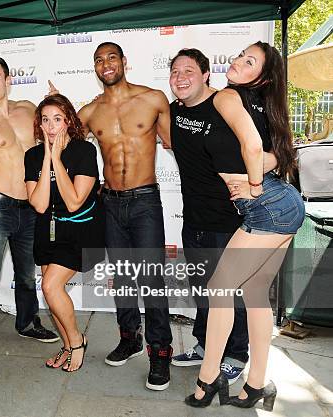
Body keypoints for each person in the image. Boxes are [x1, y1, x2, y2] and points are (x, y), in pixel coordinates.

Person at [184, 42, 305, 411]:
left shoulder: (228, 97)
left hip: (267, 209)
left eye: (248, 62)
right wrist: (257, 179)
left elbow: (253, 148)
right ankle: (256, 385)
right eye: (239, 55)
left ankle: (208, 381)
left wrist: (252, 188)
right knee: (253, 294)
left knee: (220, 291)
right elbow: (277, 154)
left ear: (263, 76)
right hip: (284, 204)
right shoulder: (260, 105)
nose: (236, 61)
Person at [77, 42, 173, 390]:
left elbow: (179, 143)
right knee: (123, 277)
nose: (106, 64)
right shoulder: (89, 112)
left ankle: (160, 352)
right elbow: (62, 139)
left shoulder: (153, 98)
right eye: (99, 60)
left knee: (150, 279)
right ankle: (130, 337)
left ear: (124, 62)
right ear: (95, 68)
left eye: (111, 57)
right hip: (111, 203)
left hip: (146, 200)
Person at [0, 53, 59, 388]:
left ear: (8, 79)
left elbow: (55, 140)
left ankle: (27, 322)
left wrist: (60, 110)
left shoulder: (29, 109)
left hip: (31, 206)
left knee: (28, 274)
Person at [25, 94, 105, 372]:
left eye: (57, 119)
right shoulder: (33, 156)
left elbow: (73, 202)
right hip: (46, 229)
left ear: (69, 121)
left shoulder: (84, 151)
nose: (50, 126)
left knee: (50, 286)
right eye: (45, 120)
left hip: (79, 230)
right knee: (51, 294)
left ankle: (76, 341)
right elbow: (38, 203)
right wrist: (47, 158)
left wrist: (57, 159)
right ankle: (68, 344)